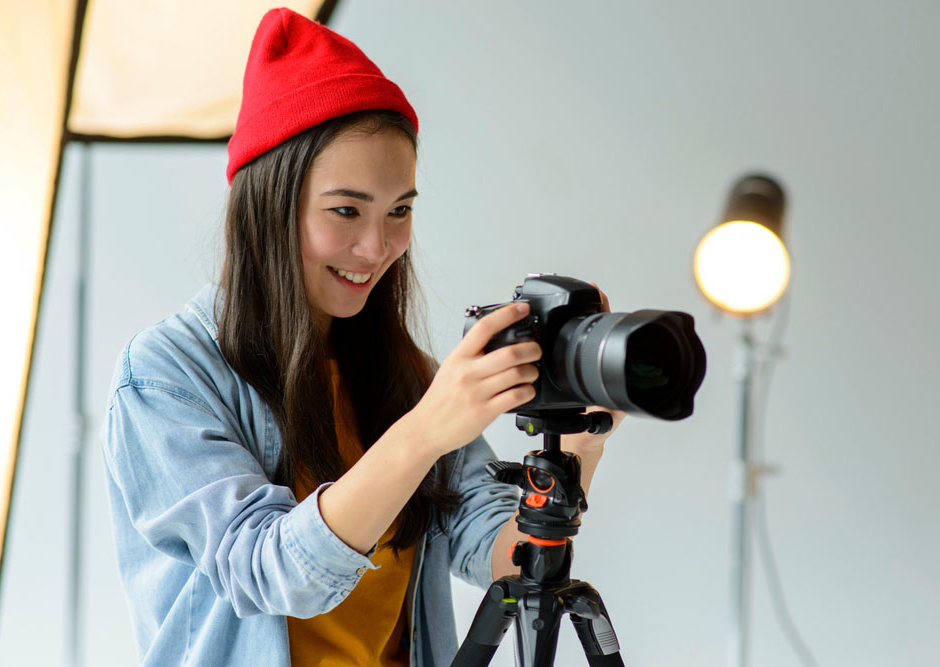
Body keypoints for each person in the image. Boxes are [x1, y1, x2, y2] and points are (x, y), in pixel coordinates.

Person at [100, 8, 623, 666]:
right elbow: (269, 573)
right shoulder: (167, 375)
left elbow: (501, 556)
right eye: (346, 209)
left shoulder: (402, 378)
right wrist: (426, 429)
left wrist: (580, 431)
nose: (377, 247)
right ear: (270, 205)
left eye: (399, 210)